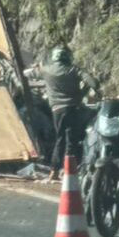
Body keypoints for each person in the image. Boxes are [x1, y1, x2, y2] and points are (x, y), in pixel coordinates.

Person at [39, 46, 91, 179]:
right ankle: (68, 169)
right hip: (73, 108)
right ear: (66, 58)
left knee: (60, 139)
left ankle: (54, 170)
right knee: (71, 139)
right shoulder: (73, 70)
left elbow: (29, 73)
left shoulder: (46, 70)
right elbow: (93, 82)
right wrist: (82, 93)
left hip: (57, 109)